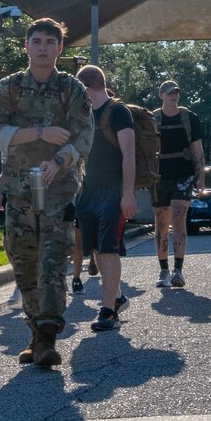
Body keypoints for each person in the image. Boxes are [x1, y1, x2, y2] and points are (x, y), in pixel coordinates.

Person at [0, 19, 93, 370]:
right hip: (18, 190)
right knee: (23, 261)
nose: (43, 47)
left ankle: (47, 335)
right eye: (37, 41)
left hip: (58, 189)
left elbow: (83, 134)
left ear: (60, 49)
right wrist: (39, 133)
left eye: (50, 41)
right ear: (27, 46)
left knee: (51, 258)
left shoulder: (71, 89)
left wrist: (60, 160)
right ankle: (36, 331)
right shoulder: (10, 87)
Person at [75, 65, 136, 330]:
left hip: (113, 190)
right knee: (97, 249)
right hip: (86, 191)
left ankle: (108, 310)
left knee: (109, 248)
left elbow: (129, 154)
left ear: (87, 88)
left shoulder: (119, 112)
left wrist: (127, 193)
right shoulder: (82, 114)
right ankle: (118, 296)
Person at [151, 80, 205, 288]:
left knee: (179, 219)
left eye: (176, 93)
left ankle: (178, 270)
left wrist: (200, 177)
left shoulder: (190, 118)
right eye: (169, 93)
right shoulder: (152, 119)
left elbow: (197, 150)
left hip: (184, 175)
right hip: (159, 176)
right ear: (161, 95)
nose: (173, 96)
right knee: (162, 222)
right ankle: (163, 270)